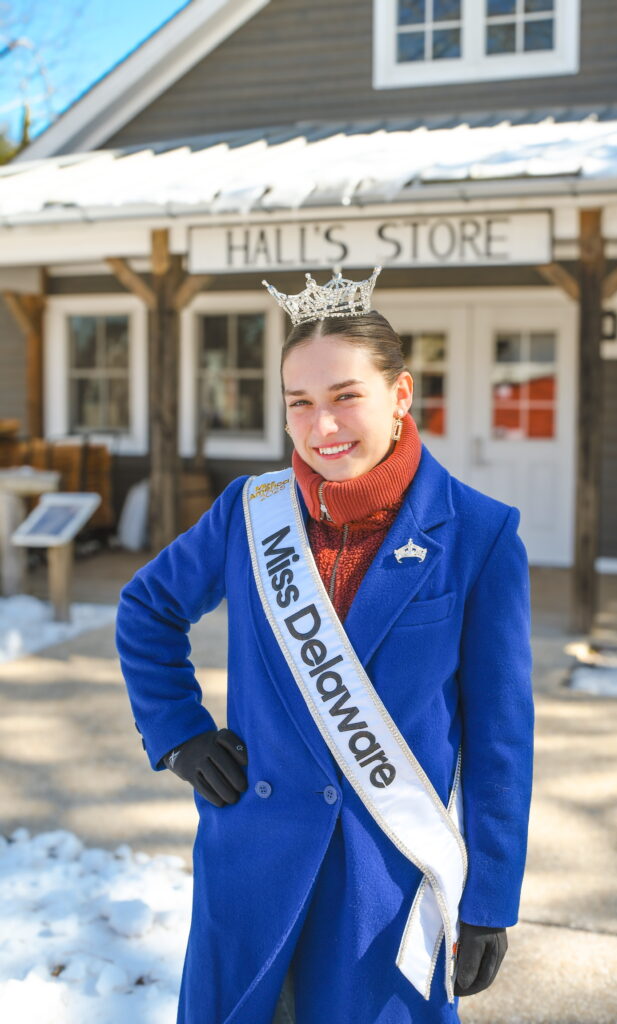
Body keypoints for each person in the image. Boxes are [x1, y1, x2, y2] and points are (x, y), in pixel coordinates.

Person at [116, 267, 534, 1024]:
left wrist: (490, 898)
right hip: (253, 860)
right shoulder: (249, 513)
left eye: (346, 396)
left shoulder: (479, 533)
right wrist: (178, 731)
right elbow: (146, 607)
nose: (322, 426)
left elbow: (501, 738)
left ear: (400, 395)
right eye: (299, 404)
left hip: (384, 881)